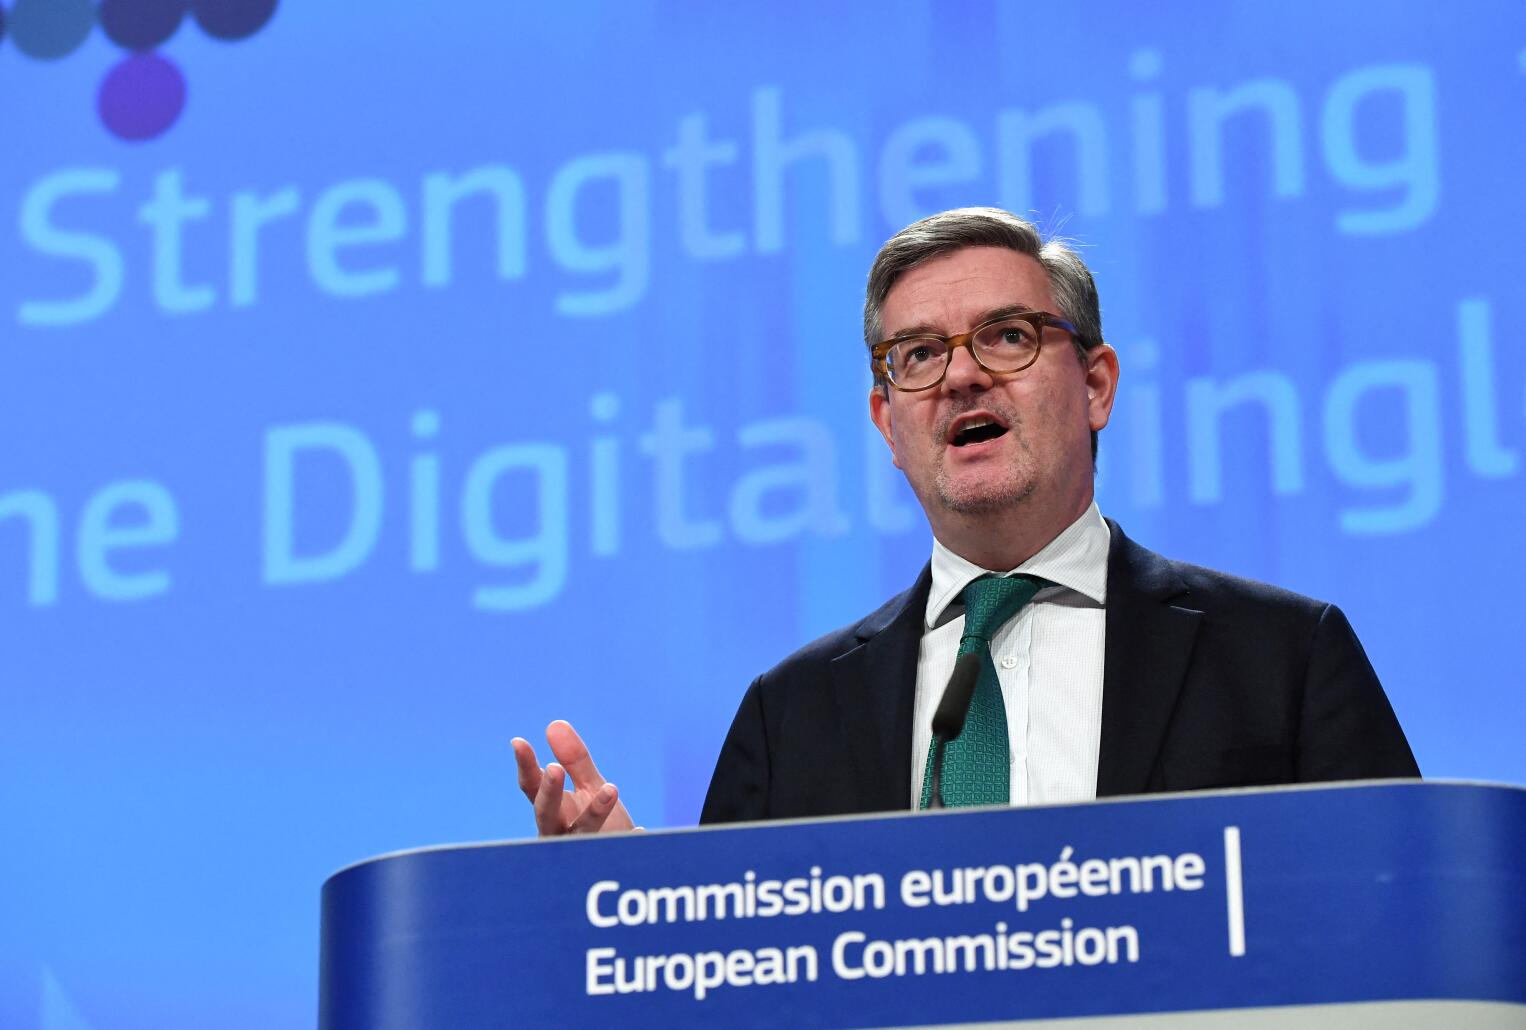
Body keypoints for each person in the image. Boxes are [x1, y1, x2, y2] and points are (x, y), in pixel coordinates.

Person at [512, 207, 1418, 835]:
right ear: (886, 424)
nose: (959, 376)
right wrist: (634, 908)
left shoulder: (1284, 658)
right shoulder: (789, 717)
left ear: (1096, 383)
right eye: (916, 354)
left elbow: (1404, 920)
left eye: (1008, 335)